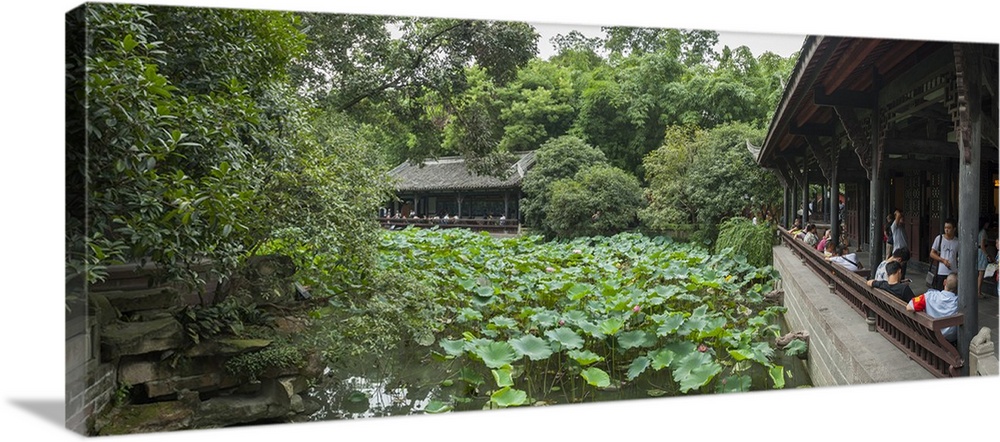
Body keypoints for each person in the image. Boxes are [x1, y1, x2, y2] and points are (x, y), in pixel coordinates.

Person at [906, 273, 959, 344]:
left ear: (944, 282)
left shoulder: (929, 296)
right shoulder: (958, 302)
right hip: (949, 338)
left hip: (931, 334)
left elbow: (909, 307)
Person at [929, 219, 959, 291]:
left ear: (954, 229)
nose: (946, 230)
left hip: (953, 272)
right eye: (945, 228)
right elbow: (932, 253)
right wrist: (943, 260)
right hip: (941, 271)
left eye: (949, 228)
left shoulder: (957, 241)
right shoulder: (939, 239)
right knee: (940, 291)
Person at [977, 218, 993, 298]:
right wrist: (987, 255)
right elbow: (983, 245)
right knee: (981, 273)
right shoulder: (983, 232)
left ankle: (977, 291)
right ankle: (978, 291)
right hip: (981, 253)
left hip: (977, 251)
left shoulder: (977, 231)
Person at [890, 209, 908, 278]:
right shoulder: (895, 227)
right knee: (898, 273)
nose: (902, 219)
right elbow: (898, 215)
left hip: (904, 253)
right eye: (900, 218)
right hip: (898, 253)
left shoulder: (902, 228)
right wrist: (897, 212)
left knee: (902, 273)